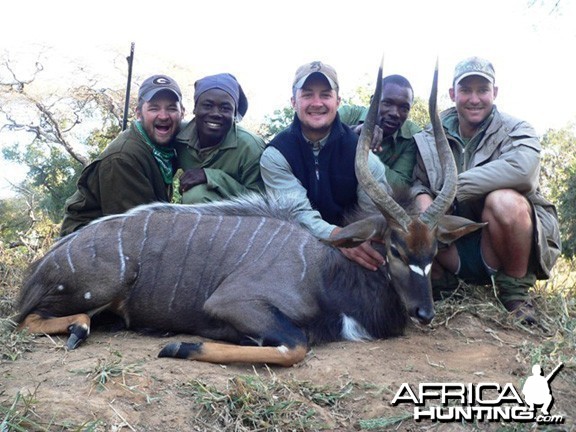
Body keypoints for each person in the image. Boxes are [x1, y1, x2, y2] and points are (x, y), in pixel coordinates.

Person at [412, 56, 561, 324]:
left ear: (495, 92)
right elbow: (419, 182)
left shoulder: (517, 128)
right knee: (417, 211)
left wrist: (453, 191)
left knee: (505, 202)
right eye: (466, 90)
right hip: (450, 243)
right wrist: (424, 202)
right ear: (452, 94)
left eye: (482, 90)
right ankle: (444, 285)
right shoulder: (428, 136)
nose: (474, 98)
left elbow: (524, 171)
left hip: (496, 243)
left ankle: (514, 293)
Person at [260, 60, 390, 271]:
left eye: (325, 95)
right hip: (298, 247)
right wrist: (339, 238)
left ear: (338, 101)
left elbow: (373, 216)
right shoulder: (276, 154)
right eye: (307, 94)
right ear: (294, 102)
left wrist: (356, 240)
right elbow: (296, 214)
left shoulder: (362, 155)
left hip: (357, 247)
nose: (317, 102)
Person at [60, 74, 185, 236]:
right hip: (86, 242)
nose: (163, 116)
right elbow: (138, 233)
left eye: (171, 108)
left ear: (182, 113)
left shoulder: (164, 147)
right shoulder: (123, 159)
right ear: (139, 114)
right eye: (154, 108)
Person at [175, 73, 265, 204]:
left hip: (242, 218)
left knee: (197, 195)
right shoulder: (177, 135)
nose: (215, 114)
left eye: (225, 108)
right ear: (195, 108)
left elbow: (262, 202)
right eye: (207, 105)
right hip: (193, 216)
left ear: (234, 114)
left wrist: (211, 176)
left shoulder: (250, 146)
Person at [338, 74, 421, 188]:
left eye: (404, 108)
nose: (395, 113)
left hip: (374, 201)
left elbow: (401, 185)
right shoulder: (348, 115)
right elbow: (318, 142)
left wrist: (366, 156)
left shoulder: (413, 137)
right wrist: (352, 135)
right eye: (387, 103)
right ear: (373, 101)